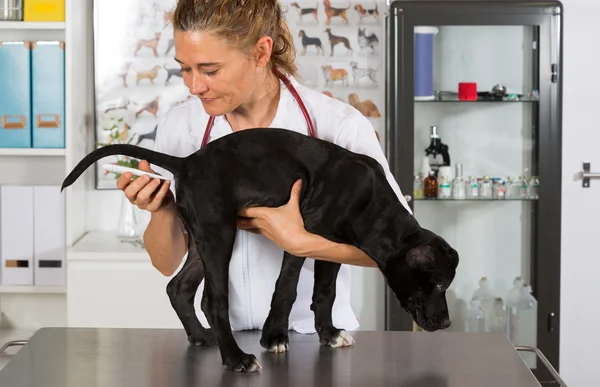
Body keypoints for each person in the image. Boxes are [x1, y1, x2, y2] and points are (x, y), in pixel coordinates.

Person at [118, 0, 412, 334]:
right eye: (185, 68)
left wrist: (301, 242)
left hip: (313, 337)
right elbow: (166, 263)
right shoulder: (179, 127)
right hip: (224, 339)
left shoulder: (339, 127)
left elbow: (400, 248)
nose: (194, 86)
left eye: (210, 70)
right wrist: (163, 210)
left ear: (261, 52)